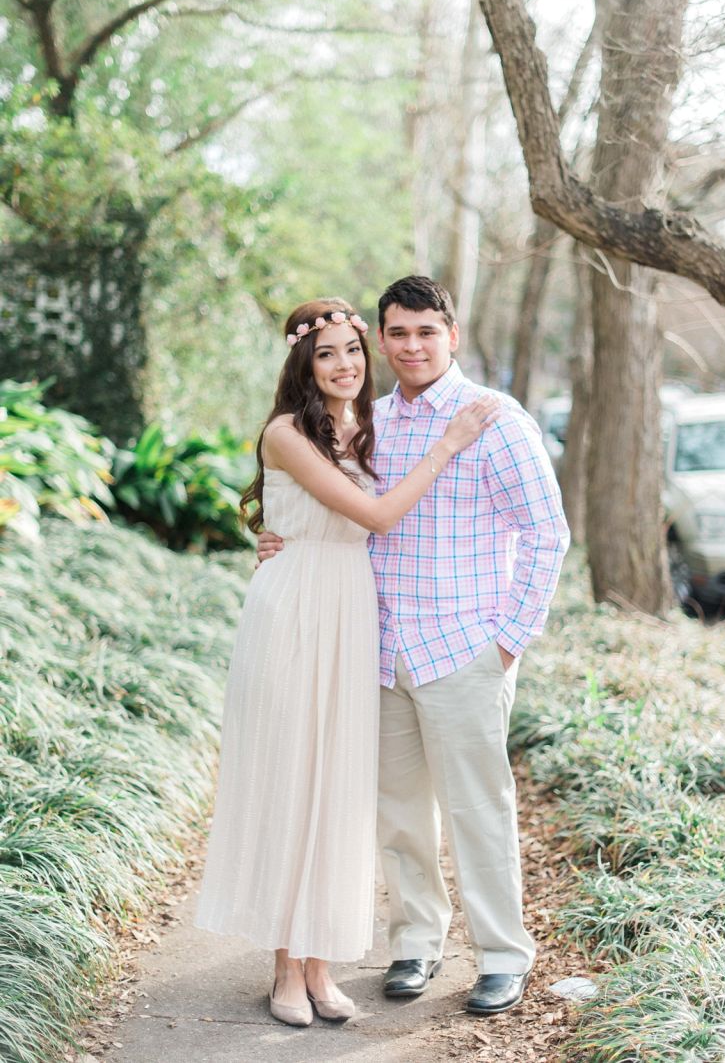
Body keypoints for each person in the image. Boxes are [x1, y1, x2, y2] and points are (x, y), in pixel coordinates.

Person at [258, 276, 570, 1015]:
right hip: (375, 644)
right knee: (399, 811)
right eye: (397, 332)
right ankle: (415, 943)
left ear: (451, 334)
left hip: (463, 646)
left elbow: (547, 533)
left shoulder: (495, 419)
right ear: (382, 337)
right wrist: (278, 539)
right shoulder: (368, 419)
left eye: (426, 331)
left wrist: (507, 642)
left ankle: (499, 955)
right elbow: (329, 505)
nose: (411, 345)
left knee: (477, 809)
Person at [194, 297, 497, 1029]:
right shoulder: (287, 431)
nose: (344, 364)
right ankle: (284, 968)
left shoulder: (370, 427)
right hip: (295, 612)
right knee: (292, 780)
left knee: (337, 785)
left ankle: (322, 963)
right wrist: (448, 444)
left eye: (352, 351)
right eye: (326, 353)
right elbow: (377, 516)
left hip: (351, 609)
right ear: (304, 362)